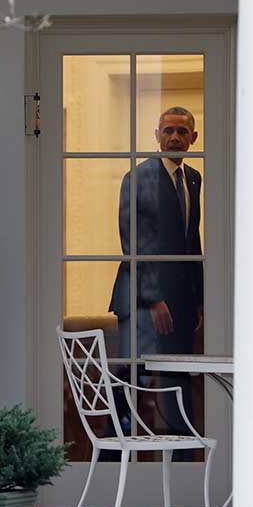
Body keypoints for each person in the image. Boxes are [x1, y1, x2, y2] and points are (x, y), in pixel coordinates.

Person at [107, 106, 203, 450]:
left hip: (181, 300)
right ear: (156, 136)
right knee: (134, 375)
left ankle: (183, 457)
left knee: (179, 376)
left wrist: (199, 299)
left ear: (193, 138)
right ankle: (113, 455)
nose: (174, 136)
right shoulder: (139, 177)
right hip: (141, 299)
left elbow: (193, 243)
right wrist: (153, 298)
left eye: (181, 131)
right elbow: (132, 239)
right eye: (167, 130)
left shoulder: (193, 178)